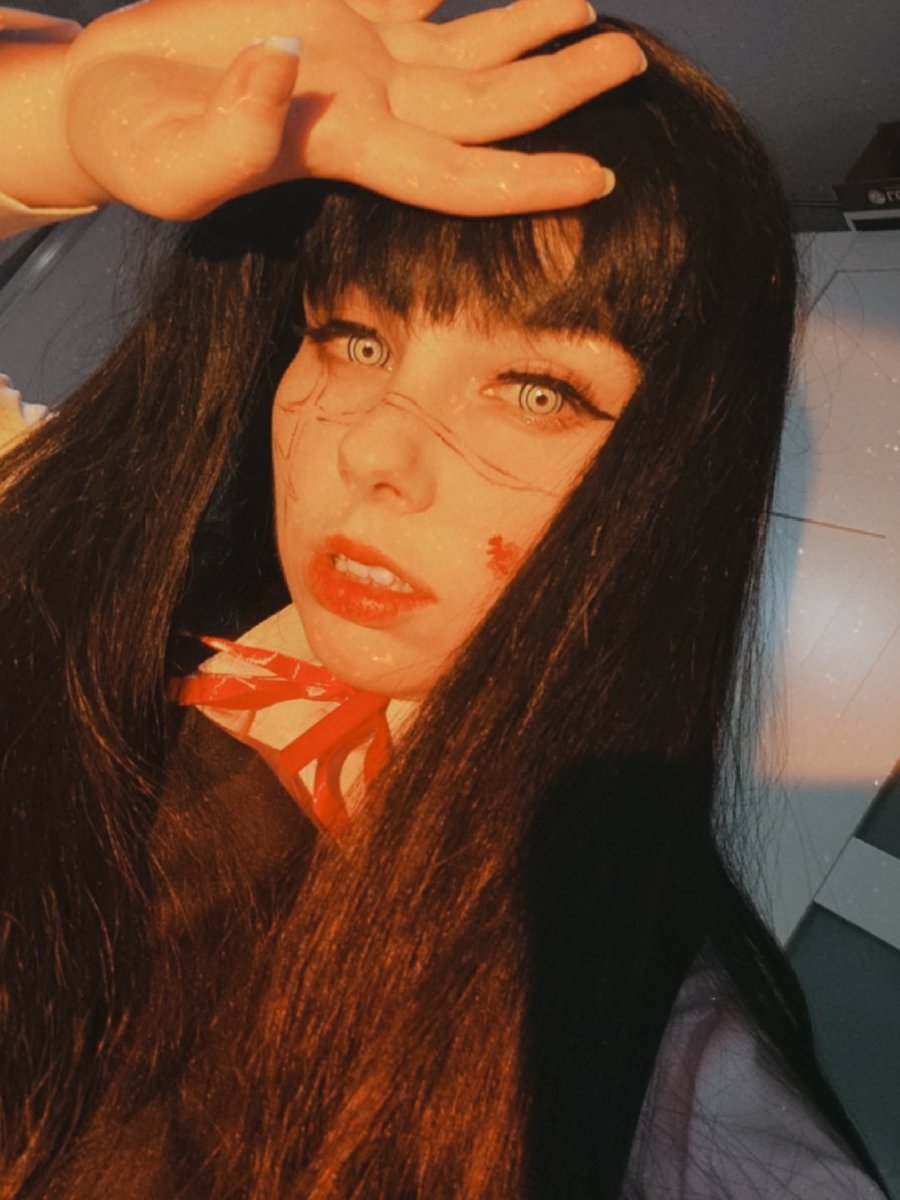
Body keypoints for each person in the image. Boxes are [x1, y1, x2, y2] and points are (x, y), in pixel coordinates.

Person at [0, 3, 892, 1198]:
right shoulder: (71, 610)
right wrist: (56, 116)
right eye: (354, 339)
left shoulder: (641, 1070)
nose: (373, 451)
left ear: (671, 478)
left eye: (536, 391)